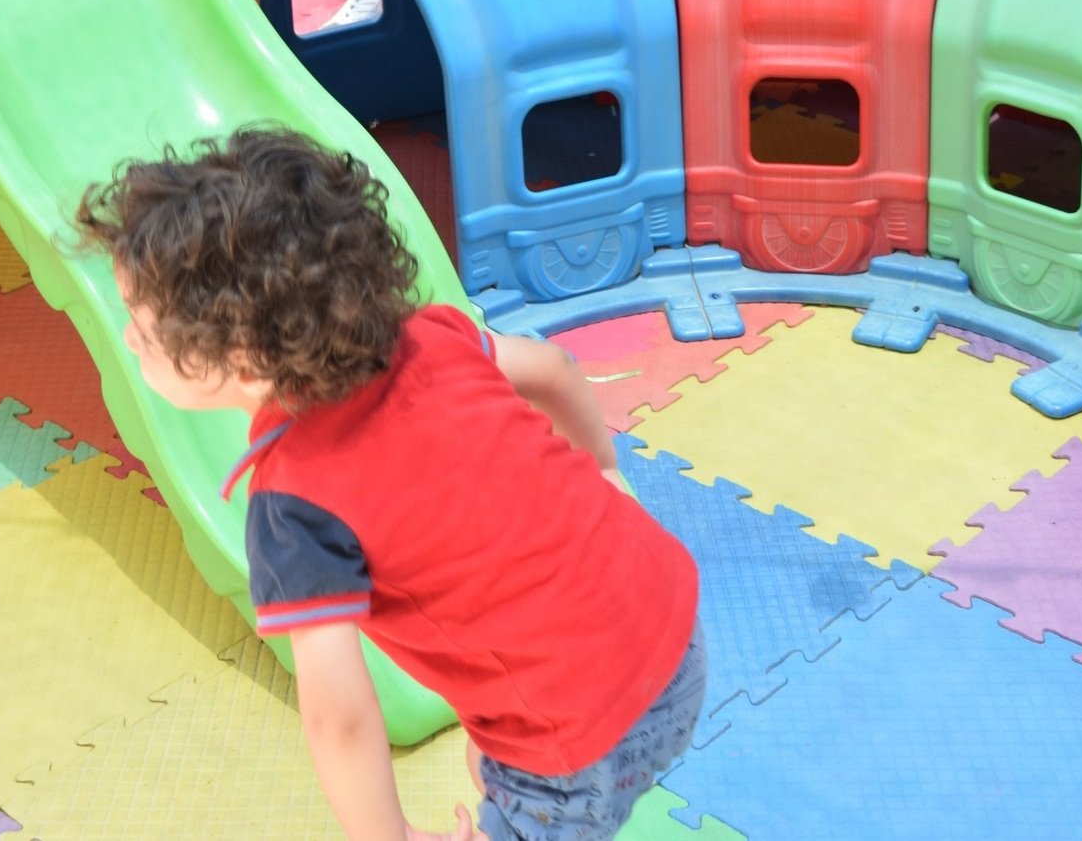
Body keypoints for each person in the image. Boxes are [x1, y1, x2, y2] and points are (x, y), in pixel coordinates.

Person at [73, 124, 705, 841]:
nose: (127, 338)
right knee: (499, 753)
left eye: (143, 330)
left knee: (543, 784)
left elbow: (338, 716)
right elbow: (554, 371)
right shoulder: (432, 334)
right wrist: (604, 470)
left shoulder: (294, 504)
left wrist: (391, 837)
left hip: (571, 742)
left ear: (245, 365)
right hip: (676, 634)